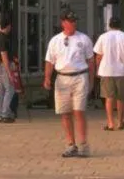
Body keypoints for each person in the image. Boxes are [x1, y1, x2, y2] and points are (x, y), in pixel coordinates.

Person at [43, 9, 97, 158]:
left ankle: (83, 144)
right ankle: (70, 144)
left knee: (78, 111)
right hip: (62, 78)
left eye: (75, 21)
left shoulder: (84, 39)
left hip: (80, 76)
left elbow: (91, 61)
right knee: (65, 113)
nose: (73, 23)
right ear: (63, 23)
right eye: (70, 21)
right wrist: (47, 77)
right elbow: (49, 61)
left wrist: (92, 81)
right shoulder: (55, 41)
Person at [94, 16, 124, 132]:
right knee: (121, 98)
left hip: (106, 70)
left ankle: (110, 123)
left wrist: (97, 69)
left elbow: (98, 56)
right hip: (122, 70)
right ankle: (120, 121)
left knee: (109, 98)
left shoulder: (103, 37)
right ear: (120, 25)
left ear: (109, 25)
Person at [0, 14, 17, 123]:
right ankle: (5, 114)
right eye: (10, 26)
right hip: (4, 66)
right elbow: (4, 56)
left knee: (2, 90)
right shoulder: (3, 39)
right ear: (7, 26)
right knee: (10, 89)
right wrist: (10, 72)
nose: (11, 28)